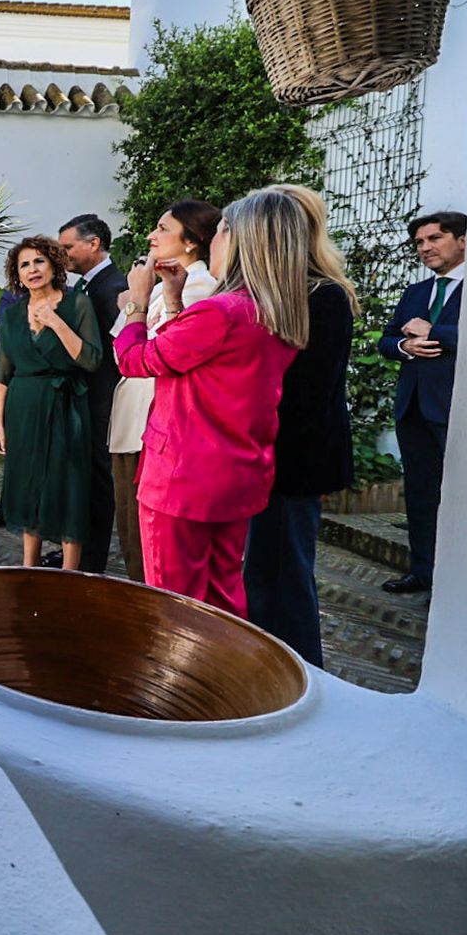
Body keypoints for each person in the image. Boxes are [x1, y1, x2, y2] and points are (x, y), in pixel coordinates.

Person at [115, 187, 310, 617]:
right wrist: (174, 299)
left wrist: (137, 302)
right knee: (223, 597)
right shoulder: (276, 311)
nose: (214, 239)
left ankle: (179, 683)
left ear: (242, 241)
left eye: (221, 230)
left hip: (183, 478)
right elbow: (196, 362)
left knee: (173, 605)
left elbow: (135, 360)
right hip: (237, 473)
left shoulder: (222, 312)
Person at [243, 186, 358, 666]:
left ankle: (302, 677)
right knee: (263, 576)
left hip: (291, 464)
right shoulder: (274, 296)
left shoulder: (324, 297)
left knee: (286, 579)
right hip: (263, 458)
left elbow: (307, 395)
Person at [106, 200, 222, 583]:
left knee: (149, 541)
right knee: (128, 525)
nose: (151, 236)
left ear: (192, 242)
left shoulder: (201, 288)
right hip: (131, 417)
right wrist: (137, 304)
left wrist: (134, 303)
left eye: (162, 228)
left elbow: (152, 355)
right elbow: (122, 348)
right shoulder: (161, 288)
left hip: (156, 424)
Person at [0, 235, 102, 570]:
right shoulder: (11, 315)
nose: (32, 269)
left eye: (39, 261)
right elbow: (3, 370)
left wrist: (55, 322)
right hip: (23, 408)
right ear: (17, 274)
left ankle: (70, 573)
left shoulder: (77, 304)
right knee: (27, 483)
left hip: (66, 405)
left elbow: (91, 359)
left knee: (68, 484)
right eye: (24, 264)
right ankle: (29, 566)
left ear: (54, 265)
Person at [378, 210, 465, 595]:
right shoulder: (416, 292)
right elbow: (386, 341)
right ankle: (423, 573)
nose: (425, 248)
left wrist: (436, 333)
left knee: (461, 499)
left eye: (435, 238)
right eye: (419, 242)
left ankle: (455, 590)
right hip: (413, 407)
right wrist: (404, 345)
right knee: (421, 493)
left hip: (457, 411)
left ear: (463, 240)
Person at [55, 213, 126, 573]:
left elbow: (109, 356)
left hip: (101, 401)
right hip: (84, 400)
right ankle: (78, 551)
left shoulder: (112, 289)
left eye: (68, 247)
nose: (63, 254)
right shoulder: (85, 286)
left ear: (94, 243)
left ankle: (91, 561)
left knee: (98, 481)